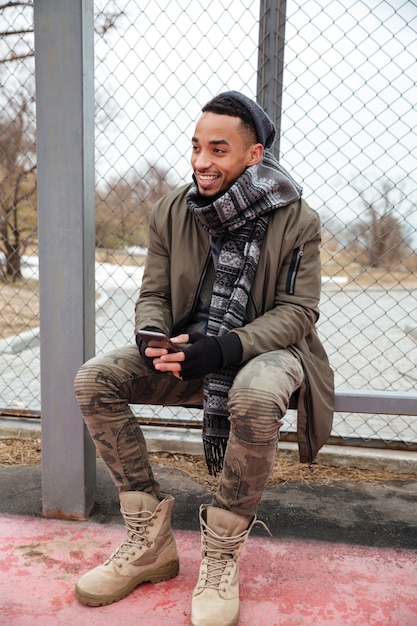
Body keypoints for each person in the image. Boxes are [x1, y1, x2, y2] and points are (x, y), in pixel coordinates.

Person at [74, 90, 334, 626]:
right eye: (196, 147)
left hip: (268, 351)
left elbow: (298, 311)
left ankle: (220, 556)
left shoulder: (296, 219)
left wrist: (223, 347)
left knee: (257, 395)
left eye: (218, 149)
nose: (201, 162)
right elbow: (154, 294)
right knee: (95, 378)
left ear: (254, 155)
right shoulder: (173, 209)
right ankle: (149, 542)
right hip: (188, 350)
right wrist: (152, 335)